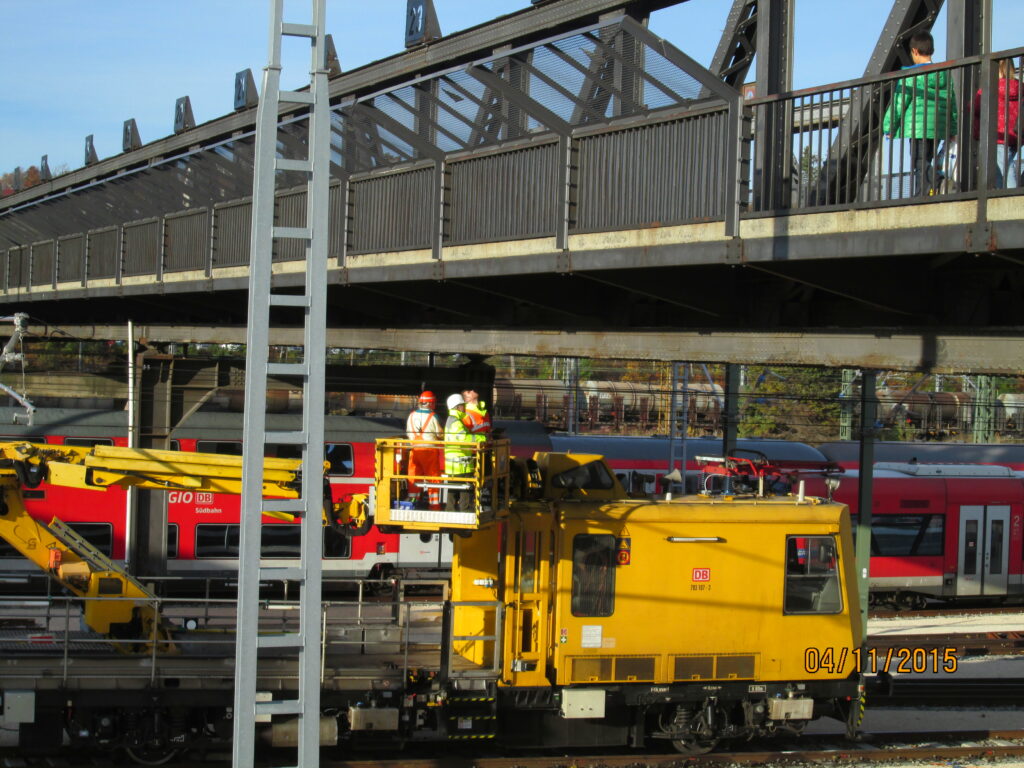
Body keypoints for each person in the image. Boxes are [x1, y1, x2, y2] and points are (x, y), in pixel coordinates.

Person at [882, 31, 957, 196]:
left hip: (918, 126)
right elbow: (952, 102)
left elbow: (899, 103)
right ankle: (924, 192)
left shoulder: (910, 75)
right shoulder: (943, 73)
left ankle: (938, 182)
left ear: (914, 51)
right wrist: (952, 129)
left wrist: (889, 127)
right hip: (938, 125)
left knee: (919, 161)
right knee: (926, 160)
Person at [973, 58, 1020, 189]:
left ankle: (1010, 196)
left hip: (997, 135)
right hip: (1015, 136)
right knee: (1005, 164)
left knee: (1003, 167)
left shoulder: (989, 88)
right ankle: (1002, 194)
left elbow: (974, 107)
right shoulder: (1020, 88)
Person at [406, 391, 443, 510]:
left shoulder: (411, 415)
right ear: (431, 403)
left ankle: (413, 503)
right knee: (433, 478)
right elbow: (440, 434)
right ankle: (434, 505)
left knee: (414, 477)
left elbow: (408, 433)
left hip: (414, 451)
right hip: (429, 451)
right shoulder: (433, 416)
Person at [443, 394, 475, 512]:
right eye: (462, 405)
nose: (464, 408)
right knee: (465, 489)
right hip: (461, 465)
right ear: (457, 407)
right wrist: (482, 439)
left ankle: (450, 510)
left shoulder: (452, 421)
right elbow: (465, 439)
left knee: (453, 489)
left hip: (454, 465)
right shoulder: (456, 422)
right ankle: (465, 511)